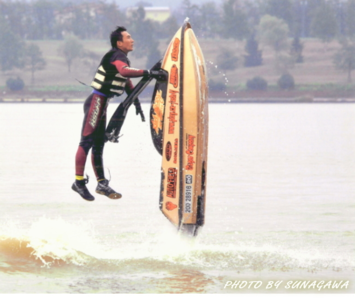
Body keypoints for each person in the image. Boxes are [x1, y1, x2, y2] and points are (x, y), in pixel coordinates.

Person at [72, 26, 164, 201]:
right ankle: (78, 182)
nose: (132, 40)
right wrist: (149, 73)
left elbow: (124, 79)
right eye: (128, 37)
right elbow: (124, 72)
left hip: (102, 104)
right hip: (96, 102)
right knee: (86, 142)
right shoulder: (117, 55)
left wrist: (134, 100)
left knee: (99, 145)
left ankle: (102, 183)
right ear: (119, 42)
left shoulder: (121, 57)